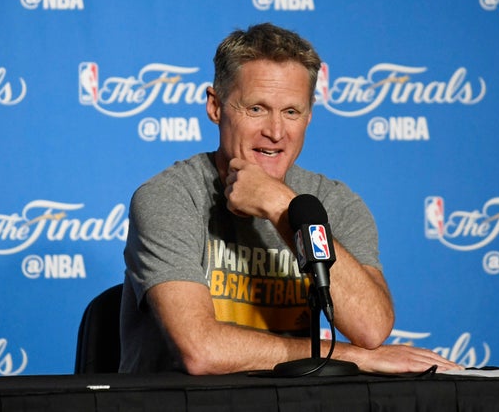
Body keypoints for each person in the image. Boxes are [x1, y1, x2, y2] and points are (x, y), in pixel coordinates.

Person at [119, 22, 460, 375]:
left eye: (291, 112)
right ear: (215, 106)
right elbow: (201, 351)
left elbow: (371, 327)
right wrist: (358, 358)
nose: (276, 131)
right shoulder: (169, 197)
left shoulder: (335, 202)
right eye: (256, 109)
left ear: (309, 117)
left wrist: (281, 205)